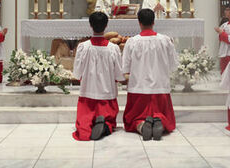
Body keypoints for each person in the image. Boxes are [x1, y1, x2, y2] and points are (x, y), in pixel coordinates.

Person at [123, 8, 178, 140]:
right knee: (162, 114)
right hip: (160, 88)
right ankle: (160, 121)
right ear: (154, 22)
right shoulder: (165, 40)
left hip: (138, 89)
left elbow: (125, 67)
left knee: (133, 119)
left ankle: (141, 125)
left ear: (139, 23)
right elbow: (173, 65)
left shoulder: (132, 42)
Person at [72, 11, 125, 141]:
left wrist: (80, 76)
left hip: (88, 93)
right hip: (107, 93)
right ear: (106, 26)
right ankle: (105, 124)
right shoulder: (113, 48)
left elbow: (77, 72)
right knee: (109, 117)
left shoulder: (83, 47)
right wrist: (118, 78)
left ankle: (88, 126)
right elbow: (118, 72)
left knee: (84, 121)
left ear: (90, 25)